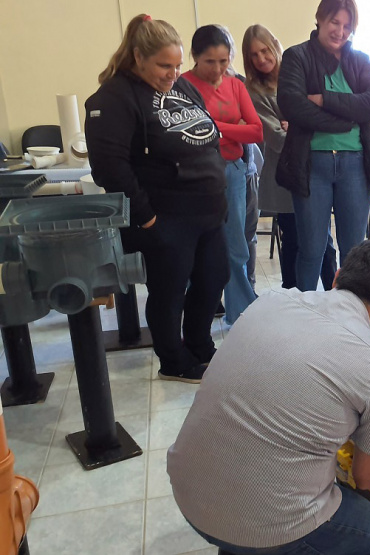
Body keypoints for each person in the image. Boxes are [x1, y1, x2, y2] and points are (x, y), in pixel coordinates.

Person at [168, 241, 370, 555]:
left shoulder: (271, 300)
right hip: (264, 524)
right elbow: (367, 478)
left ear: (337, 277)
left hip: (187, 492)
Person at [85, 14, 227, 383]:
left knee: (214, 278)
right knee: (169, 291)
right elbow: (110, 168)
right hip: (165, 216)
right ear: (138, 57)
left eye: (178, 65)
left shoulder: (183, 86)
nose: (173, 74)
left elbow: (205, 134)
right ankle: (173, 359)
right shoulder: (114, 97)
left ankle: (199, 344)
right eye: (165, 66)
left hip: (207, 212)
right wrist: (146, 217)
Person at [277, 0, 370, 291]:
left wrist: (324, 100)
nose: (340, 31)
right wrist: (344, 120)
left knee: (353, 252)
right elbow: (292, 105)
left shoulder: (360, 59)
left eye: (347, 26)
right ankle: (305, 311)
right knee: (311, 249)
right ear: (320, 19)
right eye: (335, 22)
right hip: (312, 164)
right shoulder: (297, 56)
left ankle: (345, 311)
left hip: (355, 165)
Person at [243, 24, 338, 290]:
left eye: (264, 50)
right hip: (284, 179)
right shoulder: (254, 93)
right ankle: (293, 299)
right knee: (295, 242)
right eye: (254, 55)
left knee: (325, 243)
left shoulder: (300, 77)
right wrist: (304, 126)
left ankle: (335, 296)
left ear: (275, 45)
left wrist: (296, 125)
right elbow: (277, 139)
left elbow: (326, 118)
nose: (261, 58)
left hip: (315, 173)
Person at [183, 24, 263, 326]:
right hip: (196, 174)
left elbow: (256, 131)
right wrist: (232, 130)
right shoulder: (182, 86)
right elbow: (187, 135)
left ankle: (240, 313)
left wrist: (214, 127)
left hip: (233, 171)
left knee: (236, 245)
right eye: (210, 62)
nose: (218, 69)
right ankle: (197, 314)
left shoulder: (235, 85)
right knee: (197, 244)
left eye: (224, 60)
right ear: (194, 56)